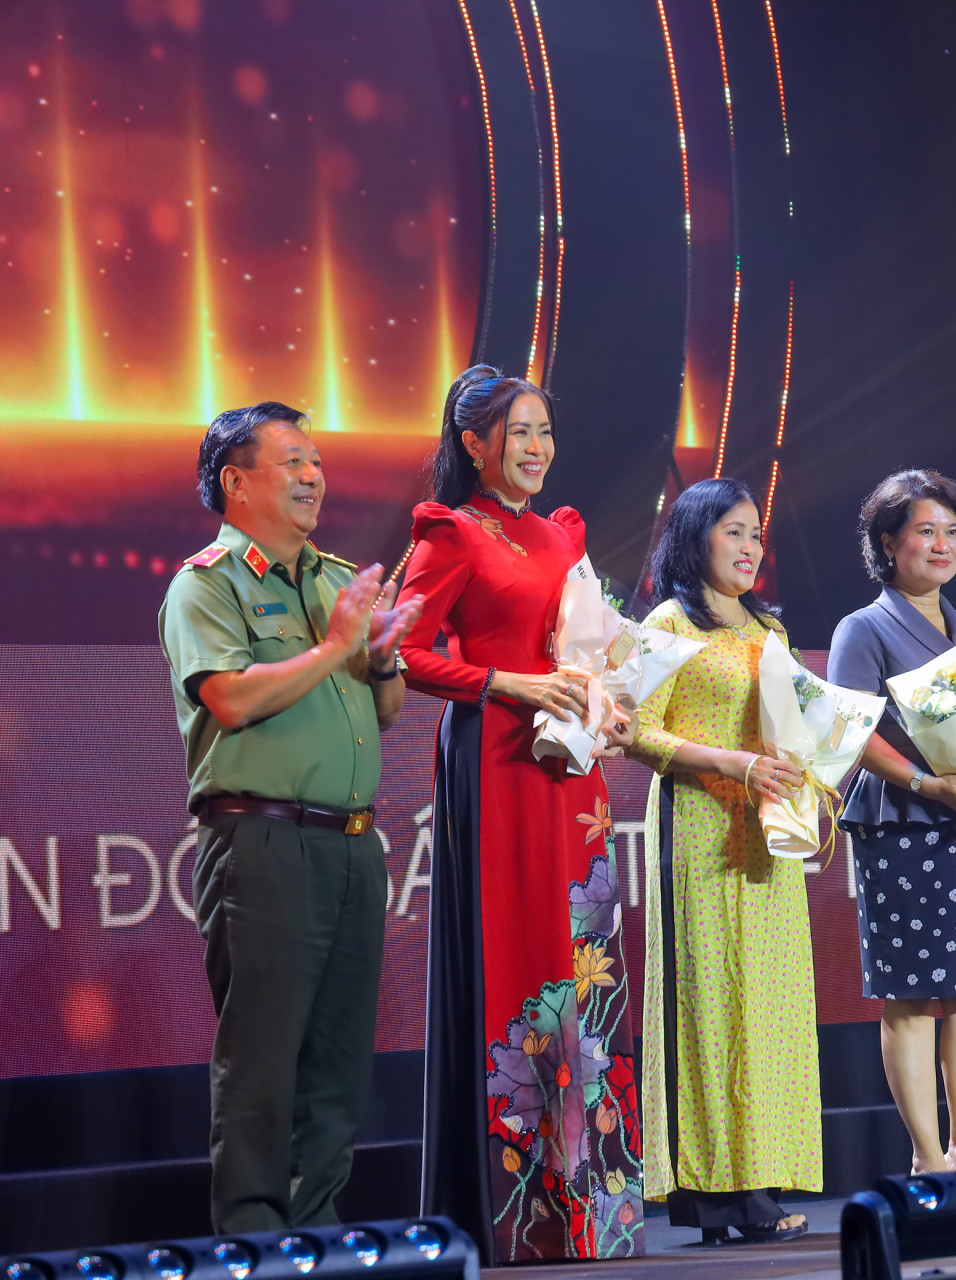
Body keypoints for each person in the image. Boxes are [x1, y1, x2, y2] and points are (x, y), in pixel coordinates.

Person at [397, 366, 642, 1262]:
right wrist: (505, 682)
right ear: (474, 445)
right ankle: (519, 1216)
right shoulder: (451, 532)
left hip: (571, 776)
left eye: (544, 431)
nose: (537, 448)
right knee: (517, 958)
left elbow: (587, 649)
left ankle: (594, 1206)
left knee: (583, 964)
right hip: (496, 763)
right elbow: (405, 652)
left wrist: (605, 703)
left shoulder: (560, 534)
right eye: (519, 432)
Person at [159, 401, 420, 1232]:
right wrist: (334, 651)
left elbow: (385, 710)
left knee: (339, 1067)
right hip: (262, 841)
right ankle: (254, 1243)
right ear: (236, 483)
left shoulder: (340, 579)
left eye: (318, 462)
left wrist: (378, 660)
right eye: (292, 462)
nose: (314, 476)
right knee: (263, 1067)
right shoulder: (208, 583)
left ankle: (320, 1238)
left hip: (352, 846)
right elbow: (230, 701)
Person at [625, 477, 819, 1244]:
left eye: (755, 533)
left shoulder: (768, 626)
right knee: (707, 1003)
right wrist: (731, 764)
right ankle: (712, 1194)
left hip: (767, 836)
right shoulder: (668, 623)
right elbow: (636, 730)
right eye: (733, 532)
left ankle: (758, 1180)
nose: (749, 547)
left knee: (765, 1007)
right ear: (695, 537)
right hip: (699, 829)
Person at [826, 470, 956, 1174]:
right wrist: (925, 782)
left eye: (951, 531)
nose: (941, 544)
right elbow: (852, 730)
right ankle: (927, 1158)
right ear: (889, 544)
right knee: (912, 999)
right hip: (905, 823)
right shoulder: (864, 628)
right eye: (924, 530)